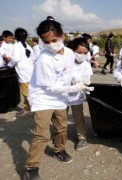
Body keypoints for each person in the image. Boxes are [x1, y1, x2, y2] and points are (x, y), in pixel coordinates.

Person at [23, 20, 94, 180]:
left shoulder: (68, 53)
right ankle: (31, 167)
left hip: (60, 99)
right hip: (43, 99)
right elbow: (49, 87)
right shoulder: (44, 59)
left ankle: (58, 150)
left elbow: (68, 73)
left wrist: (79, 82)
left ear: (62, 37)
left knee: (61, 128)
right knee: (42, 135)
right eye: (46, 42)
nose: (51, 44)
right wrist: (73, 88)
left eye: (54, 40)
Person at [67, 38, 93, 151]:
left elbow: (87, 78)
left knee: (78, 117)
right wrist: (75, 79)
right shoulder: (65, 62)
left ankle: (82, 138)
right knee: (60, 118)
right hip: (63, 95)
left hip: (76, 96)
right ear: (72, 51)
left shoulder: (86, 64)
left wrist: (86, 85)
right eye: (79, 52)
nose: (82, 55)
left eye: (85, 53)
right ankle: (60, 137)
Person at [10, 28, 35, 117]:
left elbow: (15, 59)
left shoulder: (16, 46)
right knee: (30, 90)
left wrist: (9, 65)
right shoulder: (28, 46)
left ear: (15, 36)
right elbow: (33, 60)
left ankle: (33, 109)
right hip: (31, 71)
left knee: (26, 92)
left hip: (23, 72)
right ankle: (27, 107)